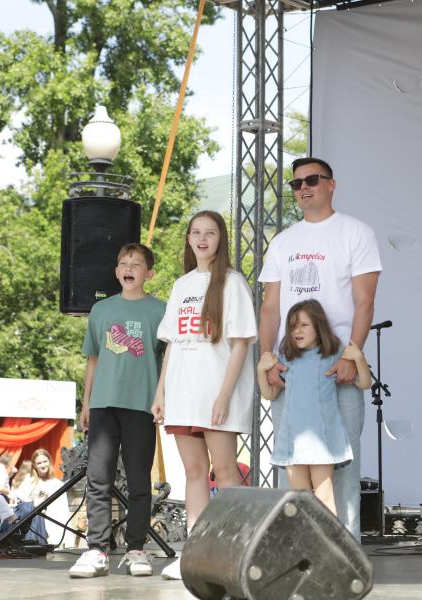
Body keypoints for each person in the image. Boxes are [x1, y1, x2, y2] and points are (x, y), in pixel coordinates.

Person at [258, 157, 381, 538]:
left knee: (341, 467)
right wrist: (268, 359)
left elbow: (364, 301)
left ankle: (345, 554)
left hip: (336, 365)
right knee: (292, 467)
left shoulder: (355, 232)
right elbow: (270, 307)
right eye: (296, 183)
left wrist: (352, 355)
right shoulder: (283, 241)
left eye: (311, 180)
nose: (303, 188)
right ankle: (298, 553)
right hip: (291, 367)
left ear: (331, 184)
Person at [153, 210, 257, 580]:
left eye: (209, 233)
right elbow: (172, 344)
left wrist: (224, 397)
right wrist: (161, 392)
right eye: (195, 232)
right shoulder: (181, 285)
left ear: (220, 239)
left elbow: (241, 345)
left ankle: (233, 550)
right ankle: (193, 554)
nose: (201, 239)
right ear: (188, 239)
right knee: (193, 472)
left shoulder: (233, 283)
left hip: (216, 395)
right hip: (183, 395)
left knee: (225, 472)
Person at [69, 243, 166, 578]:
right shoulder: (101, 310)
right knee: (98, 479)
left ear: (148, 273)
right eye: (124, 263)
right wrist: (86, 402)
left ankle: (136, 548)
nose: (129, 268)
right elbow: (93, 359)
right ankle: (96, 549)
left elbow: (168, 361)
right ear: (116, 271)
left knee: (139, 481)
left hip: (141, 405)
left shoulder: (160, 311)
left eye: (136, 264)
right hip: (103, 405)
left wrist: (162, 398)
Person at [257, 299, 371, 515]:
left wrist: (359, 359)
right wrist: (260, 371)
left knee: (324, 498)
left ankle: (329, 538)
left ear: (318, 327)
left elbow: (364, 383)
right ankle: (305, 539)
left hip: (322, 440)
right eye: (292, 327)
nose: (297, 331)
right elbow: (269, 394)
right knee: (299, 502)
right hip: (292, 440)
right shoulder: (286, 359)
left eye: (304, 325)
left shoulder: (333, 355)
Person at [23, 449, 70, 548]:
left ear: (49, 461)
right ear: (34, 465)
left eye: (45, 461)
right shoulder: (28, 483)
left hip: (55, 529)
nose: (43, 465)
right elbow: (22, 508)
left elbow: (64, 513)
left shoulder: (57, 484)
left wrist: (67, 539)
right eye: (39, 463)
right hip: (36, 530)